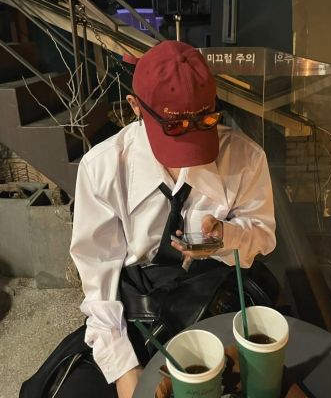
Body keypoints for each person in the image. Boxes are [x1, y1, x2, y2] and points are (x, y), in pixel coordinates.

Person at [69, 40, 276, 398]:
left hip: (218, 292)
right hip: (139, 305)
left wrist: (227, 237)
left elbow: (263, 238)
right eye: (175, 126)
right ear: (135, 106)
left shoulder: (245, 158)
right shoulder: (103, 168)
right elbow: (98, 278)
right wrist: (124, 368)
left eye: (206, 120)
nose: (190, 152)